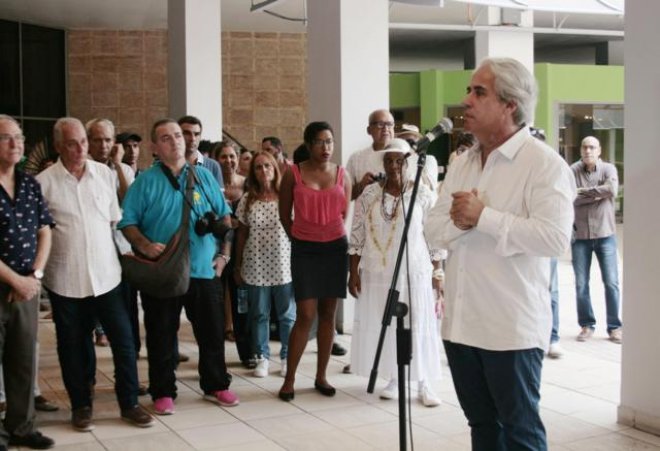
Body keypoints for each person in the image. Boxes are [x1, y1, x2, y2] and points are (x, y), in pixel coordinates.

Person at [425, 58, 575, 450]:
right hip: (462, 325)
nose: (466, 100)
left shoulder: (545, 166)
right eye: (469, 91)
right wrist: (460, 222)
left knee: (520, 432)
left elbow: (555, 239)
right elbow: (432, 228)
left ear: (510, 104)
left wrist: (483, 217)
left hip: (509, 329)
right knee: (482, 428)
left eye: (479, 92)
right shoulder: (463, 161)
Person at [36, 117, 154, 432]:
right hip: (65, 279)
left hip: (108, 277)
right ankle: (81, 406)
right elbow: (40, 233)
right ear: (59, 145)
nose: (80, 149)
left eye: (83, 143)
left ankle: (129, 402)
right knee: (74, 347)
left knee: (125, 341)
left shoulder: (104, 175)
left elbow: (115, 223)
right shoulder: (44, 183)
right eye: (72, 143)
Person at [119, 119, 239, 415]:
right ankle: (162, 390)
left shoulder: (204, 177)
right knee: (161, 333)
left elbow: (224, 220)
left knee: (211, 332)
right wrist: (144, 245)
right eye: (166, 137)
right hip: (164, 271)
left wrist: (223, 255)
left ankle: (216, 384)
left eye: (177, 136)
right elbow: (128, 223)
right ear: (155, 147)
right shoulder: (145, 181)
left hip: (203, 268)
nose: (174, 141)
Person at [348, 138, 442, 408]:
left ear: (407, 162)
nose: (392, 165)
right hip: (379, 271)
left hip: (415, 270)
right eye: (388, 160)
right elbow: (357, 234)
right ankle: (394, 378)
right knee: (386, 323)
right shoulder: (368, 195)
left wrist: (439, 274)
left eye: (398, 160)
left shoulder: (422, 194)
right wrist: (353, 270)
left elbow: (434, 237)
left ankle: (425, 382)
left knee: (419, 322)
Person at [278, 121, 351, 401]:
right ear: (308, 144)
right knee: (306, 314)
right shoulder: (292, 174)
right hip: (304, 249)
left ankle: (321, 376)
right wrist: (300, 238)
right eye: (320, 142)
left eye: (330, 141)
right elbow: (285, 215)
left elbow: (344, 215)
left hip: (335, 248)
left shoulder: (343, 175)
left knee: (328, 314)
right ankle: (289, 379)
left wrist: (328, 235)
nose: (326, 147)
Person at [0, 114, 56, 450]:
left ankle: (22, 426)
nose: (16, 143)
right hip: (5, 285)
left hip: (27, 287)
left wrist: (34, 276)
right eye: (7, 137)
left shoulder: (29, 184)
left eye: (19, 136)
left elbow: (44, 231)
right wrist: (15, 281)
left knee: (22, 360)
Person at [234, 151, 296, 378]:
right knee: (259, 314)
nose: (263, 171)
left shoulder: (287, 196)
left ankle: (288, 357)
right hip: (256, 264)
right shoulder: (247, 199)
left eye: (267, 166)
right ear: (253, 172)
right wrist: (237, 265)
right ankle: (262, 357)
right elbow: (241, 234)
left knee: (287, 315)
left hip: (283, 264)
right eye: (258, 167)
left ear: (275, 169)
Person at [571, 136, 623, 344]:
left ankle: (614, 327)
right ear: (581, 150)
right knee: (581, 284)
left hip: (605, 235)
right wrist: (597, 194)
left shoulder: (609, 169)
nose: (588, 150)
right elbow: (569, 196)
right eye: (584, 147)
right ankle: (586, 325)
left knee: (611, 283)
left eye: (592, 147)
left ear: (599, 150)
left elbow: (612, 190)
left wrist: (584, 193)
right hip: (580, 236)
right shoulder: (572, 171)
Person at [215, 141, 254, 369]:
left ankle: (246, 352)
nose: (228, 161)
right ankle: (215, 353)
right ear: (216, 159)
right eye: (223, 157)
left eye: (232, 156)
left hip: (240, 251)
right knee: (215, 303)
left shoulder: (247, 185)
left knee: (242, 303)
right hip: (216, 251)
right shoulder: (212, 185)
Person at [530, 127, 563, 358]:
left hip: (545, 242)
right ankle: (535, 338)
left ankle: (552, 338)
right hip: (522, 244)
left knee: (550, 290)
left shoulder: (552, 170)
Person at [346, 109, 394, 200]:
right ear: (369, 130)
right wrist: (361, 185)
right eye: (380, 124)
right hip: (364, 213)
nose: (386, 129)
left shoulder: (403, 158)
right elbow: (344, 196)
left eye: (389, 124)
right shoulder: (356, 158)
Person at [395, 123, 440, 193]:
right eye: (402, 141)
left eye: (409, 141)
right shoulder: (396, 161)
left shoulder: (428, 159)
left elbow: (431, 186)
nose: (406, 144)